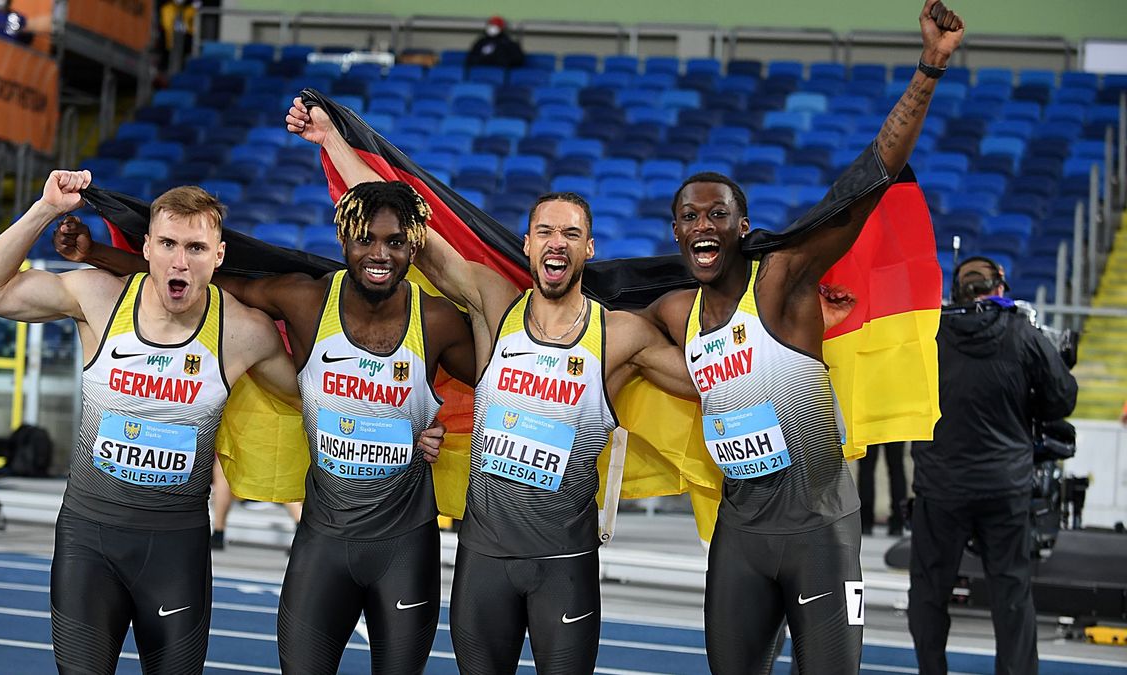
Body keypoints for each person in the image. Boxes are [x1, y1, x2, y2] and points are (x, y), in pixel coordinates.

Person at [287, 95, 698, 673]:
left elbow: (714, 381)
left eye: (571, 233)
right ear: (527, 245)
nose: (557, 242)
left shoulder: (620, 336)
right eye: (545, 231)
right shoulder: (495, 307)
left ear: (589, 248)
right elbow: (413, 232)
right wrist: (333, 141)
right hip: (482, 563)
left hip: (564, 566)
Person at [633, 2, 966, 671]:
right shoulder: (671, 313)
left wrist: (929, 67)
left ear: (743, 227)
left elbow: (865, 182)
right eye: (689, 216)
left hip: (820, 533)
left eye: (717, 214)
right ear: (675, 232)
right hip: (740, 535)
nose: (703, 225)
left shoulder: (780, 282)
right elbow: (581, 327)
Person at [53, 180, 475, 674]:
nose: (379, 253)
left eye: (395, 241)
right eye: (366, 239)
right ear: (344, 241)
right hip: (323, 543)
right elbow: (206, 284)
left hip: (406, 546)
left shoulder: (438, 320)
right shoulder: (305, 300)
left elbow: (497, 385)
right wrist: (97, 254)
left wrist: (432, 422)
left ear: (414, 248)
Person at [0, 170, 303, 674]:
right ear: (145, 248)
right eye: (167, 244)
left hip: (176, 548)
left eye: (196, 248)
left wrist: (412, 424)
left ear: (219, 255)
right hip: (88, 540)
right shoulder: (99, 298)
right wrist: (45, 209)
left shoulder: (243, 332)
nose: (180, 261)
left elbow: (315, 402)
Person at [908, 255, 1077, 675]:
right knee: (1012, 595)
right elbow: (1062, 397)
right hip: (1004, 486)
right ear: (998, 289)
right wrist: (1027, 405)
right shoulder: (1022, 333)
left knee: (929, 592)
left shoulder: (929, 334)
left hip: (940, 487)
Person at [858, 441, 908, 536]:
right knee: (897, 469)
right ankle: (897, 523)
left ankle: (865, 522)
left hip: (869, 431)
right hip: (894, 431)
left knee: (866, 470)